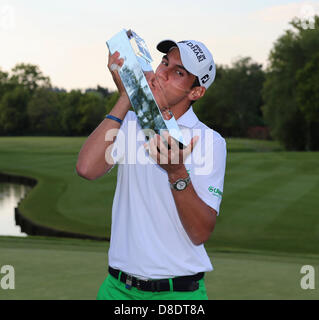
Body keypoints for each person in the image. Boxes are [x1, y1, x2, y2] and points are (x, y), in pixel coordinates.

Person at [76, 38, 227, 300]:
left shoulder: (209, 141)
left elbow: (200, 232)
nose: (162, 73)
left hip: (177, 294)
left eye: (178, 72)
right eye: (164, 63)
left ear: (196, 92)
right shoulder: (131, 122)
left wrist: (176, 172)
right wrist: (126, 97)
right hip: (117, 289)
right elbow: (87, 168)